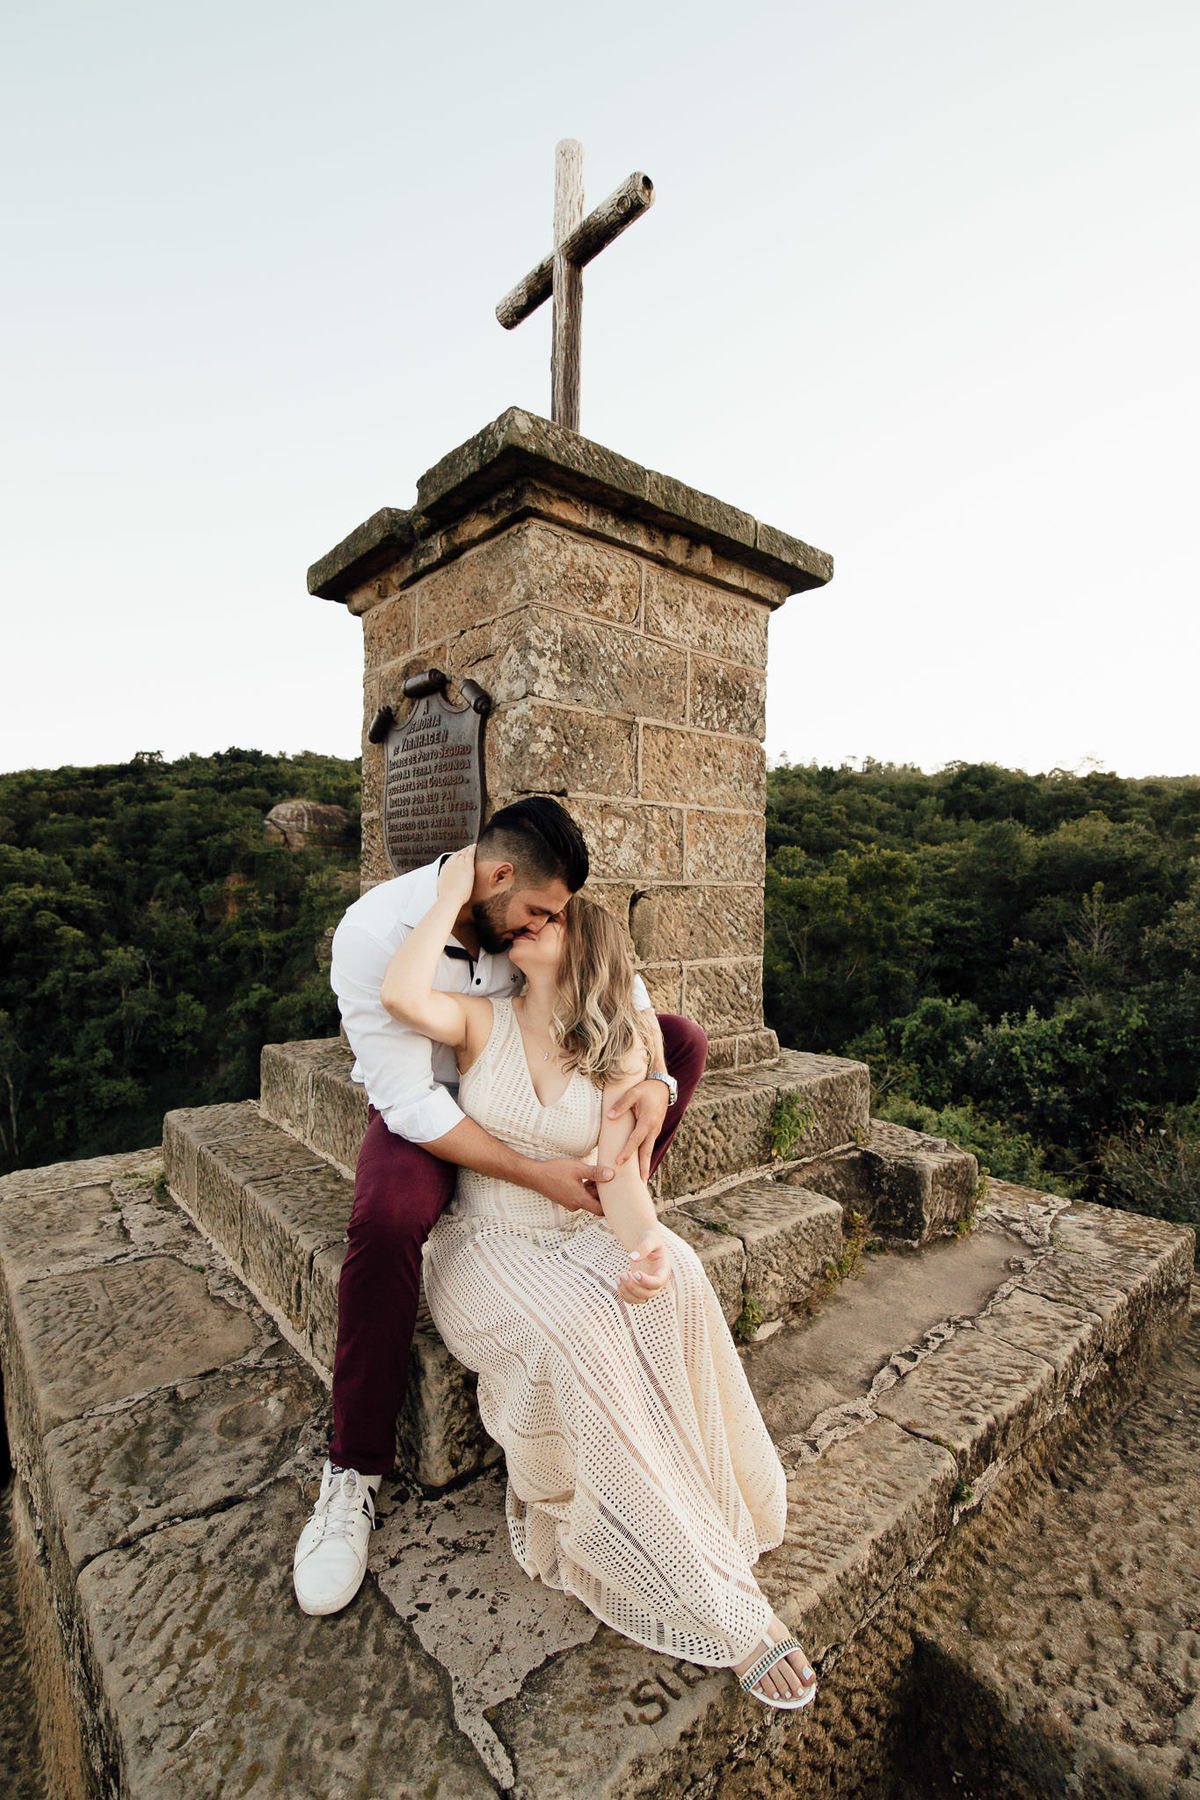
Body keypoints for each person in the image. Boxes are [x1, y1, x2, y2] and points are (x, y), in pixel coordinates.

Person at [372, 844, 817, 1710]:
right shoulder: (478, 1021)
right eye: (531, 916)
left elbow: (619, 1179)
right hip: (488, 1243)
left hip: (576, 1232)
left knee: (681, 1271)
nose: (533, 923)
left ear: (586, 952)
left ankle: (694, 1509)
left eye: (555, 921)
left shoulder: (611, 1057)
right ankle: (718, 1603)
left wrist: (647, 1250)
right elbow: (397, 994)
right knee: (579, 1335)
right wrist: (455, 890)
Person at [292, 797, 705, 1616]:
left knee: (684, 1040)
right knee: (385, 1218)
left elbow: (626, 988)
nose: (552, 923)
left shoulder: (533, 906)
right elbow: (411, 1102)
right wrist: (528, 1169)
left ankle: (612, 1196)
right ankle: (353, 1471)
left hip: (530, 1071)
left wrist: (654, 1083)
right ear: (499, 875)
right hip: (434, 1102)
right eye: (541, 911)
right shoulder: (375, 933)